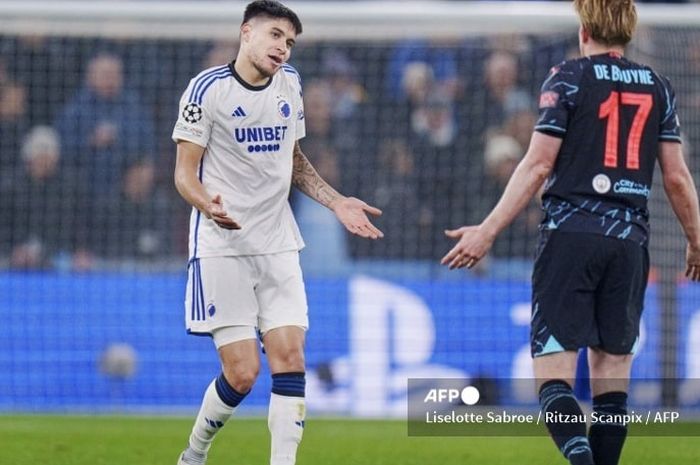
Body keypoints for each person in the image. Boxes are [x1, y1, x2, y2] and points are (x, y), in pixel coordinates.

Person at [441, 1, 700, 465]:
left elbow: (538, 163)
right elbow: (678, 177)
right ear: (630, 31)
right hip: (629, 244)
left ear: (584, 29)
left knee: (554, 381)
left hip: (571, 237)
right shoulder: (659, 86)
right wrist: (697, 240)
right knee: (612, 380)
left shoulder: (568, 76)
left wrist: (487, 229)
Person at [171, 2, 383, 465]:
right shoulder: (207, 89)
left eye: (289, 42)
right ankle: (194, 452)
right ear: (246, 33)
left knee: (290, 356)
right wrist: (207, 203)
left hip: (279, 244)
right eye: (274, 36)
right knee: (243, 374)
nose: (282, 49)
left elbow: (293, 161)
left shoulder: (292, 85)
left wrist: (336, 200)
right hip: (222, 246)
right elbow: (184, 173)